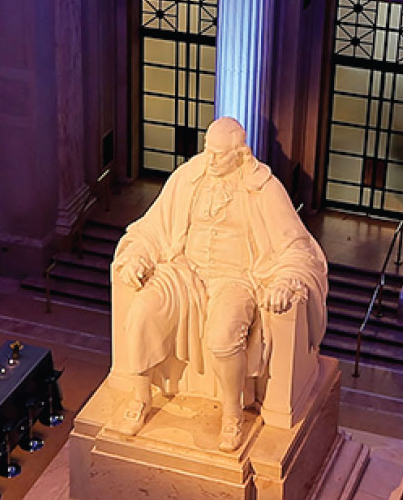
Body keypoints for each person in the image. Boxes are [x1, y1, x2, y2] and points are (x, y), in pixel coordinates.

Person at [106, 117, 327, 451]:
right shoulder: (188, 177)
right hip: (183, 271)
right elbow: (153, 228)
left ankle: (232, 415)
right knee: (140, 316)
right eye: (208, 151)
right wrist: (137, 256)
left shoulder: (263, 188)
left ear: (240, 154)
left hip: (236, 278)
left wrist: (286, 279)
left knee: (224, 337)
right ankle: (139, 400)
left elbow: (295, 246)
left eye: (219, 155)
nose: (210, 160)